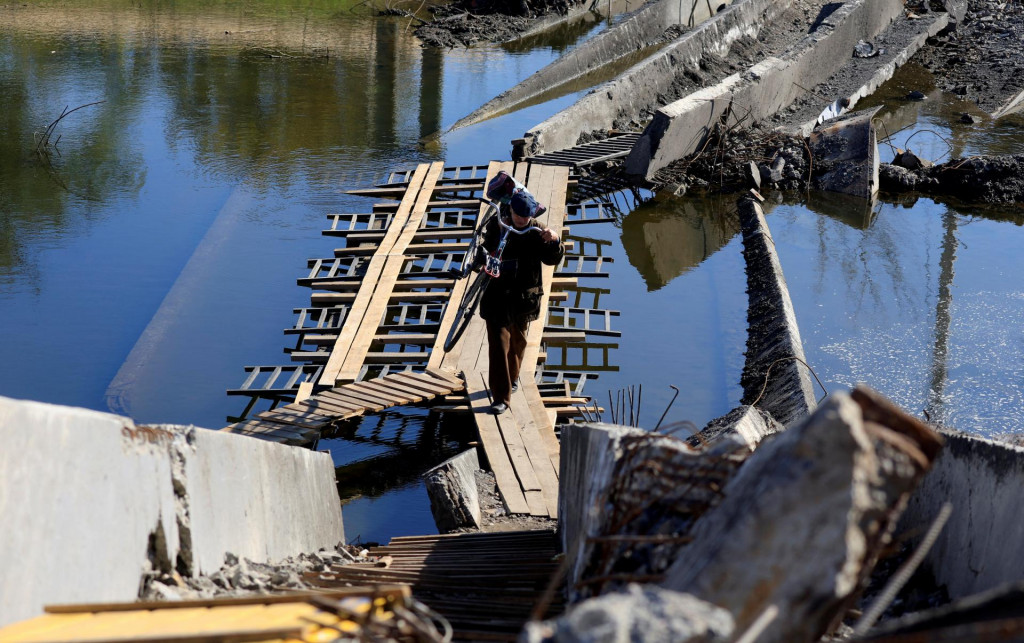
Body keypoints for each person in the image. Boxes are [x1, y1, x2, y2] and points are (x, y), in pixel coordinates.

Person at [479, 193, 564, 415]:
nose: (521, 221)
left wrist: (555, 241)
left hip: (523, 298)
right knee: (498, 345)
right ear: (511, 211)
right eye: (518, 216)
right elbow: (486, 248)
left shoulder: (537, 230)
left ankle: (513, 377)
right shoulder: (499, 224)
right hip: (497, 294)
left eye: (526, 217)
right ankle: (501, 398)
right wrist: (481, 259)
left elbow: (552, 260)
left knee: (518, 343)